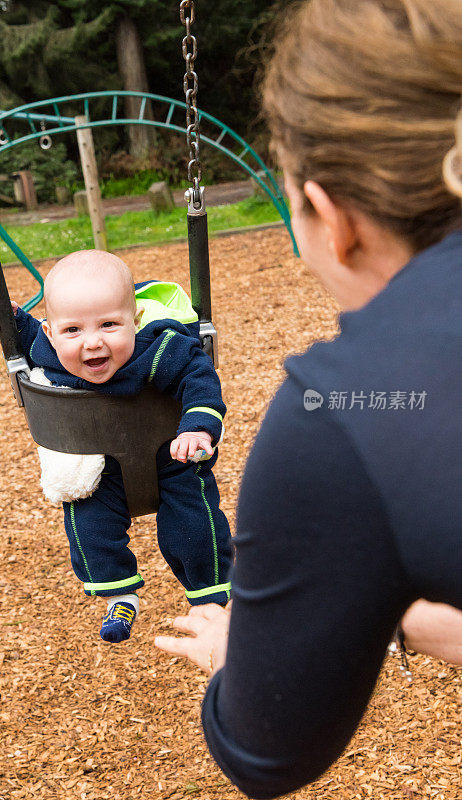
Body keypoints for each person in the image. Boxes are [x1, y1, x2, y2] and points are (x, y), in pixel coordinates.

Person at [155, 1, 462, 796]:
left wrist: (244, 652)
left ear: (331, 217)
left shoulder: (358, 403)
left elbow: (266, 751)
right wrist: (402, 621)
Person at [0, 250, 232, 643]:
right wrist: (10, 322)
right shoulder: (46, 348)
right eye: (73, 331)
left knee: (194, 523)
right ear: (51, 333)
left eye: (109, 325)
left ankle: (209, 596)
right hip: (102, 466)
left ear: (134, 322)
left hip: (171, 457)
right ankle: (120, 595)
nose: (92, 343)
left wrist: (198, 429)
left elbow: (198, 377)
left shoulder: (160, 347)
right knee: (87, 524)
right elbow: (27, 335)